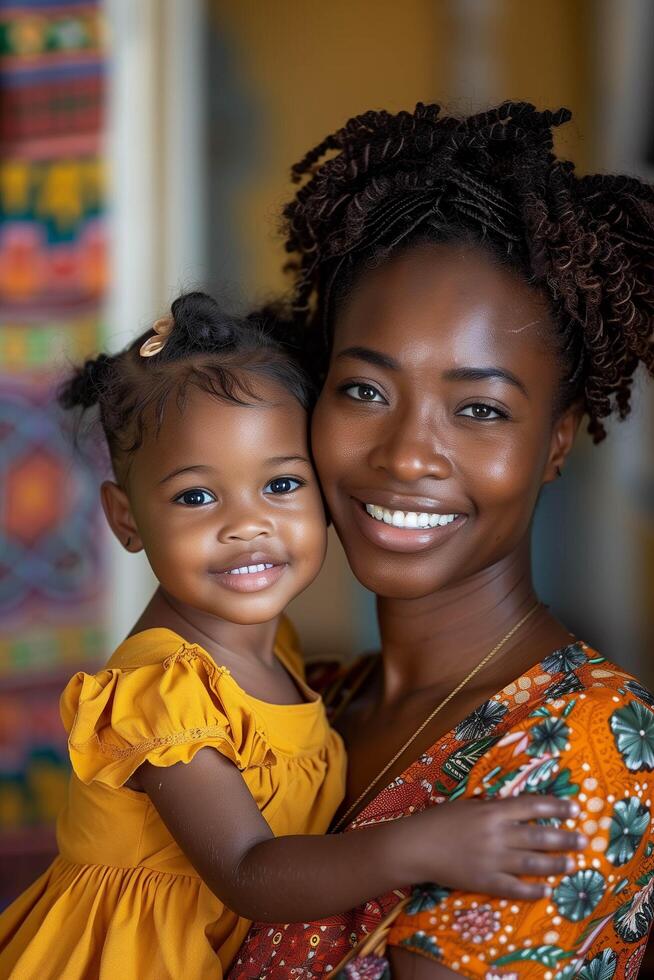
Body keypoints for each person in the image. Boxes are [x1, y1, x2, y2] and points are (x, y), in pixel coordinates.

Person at [0, 292, 579, 980]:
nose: (247, 525)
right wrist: (416, 847)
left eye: (280, 484)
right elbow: (248, 871)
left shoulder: (276, 651)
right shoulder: (164, 690)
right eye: (196, 496)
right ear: (126, 519)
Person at [229, 103, 654, 979]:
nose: (408, 454)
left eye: (481, 409)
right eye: (364, 391)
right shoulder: (306, 700)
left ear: (558, 442)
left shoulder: (588, 745)